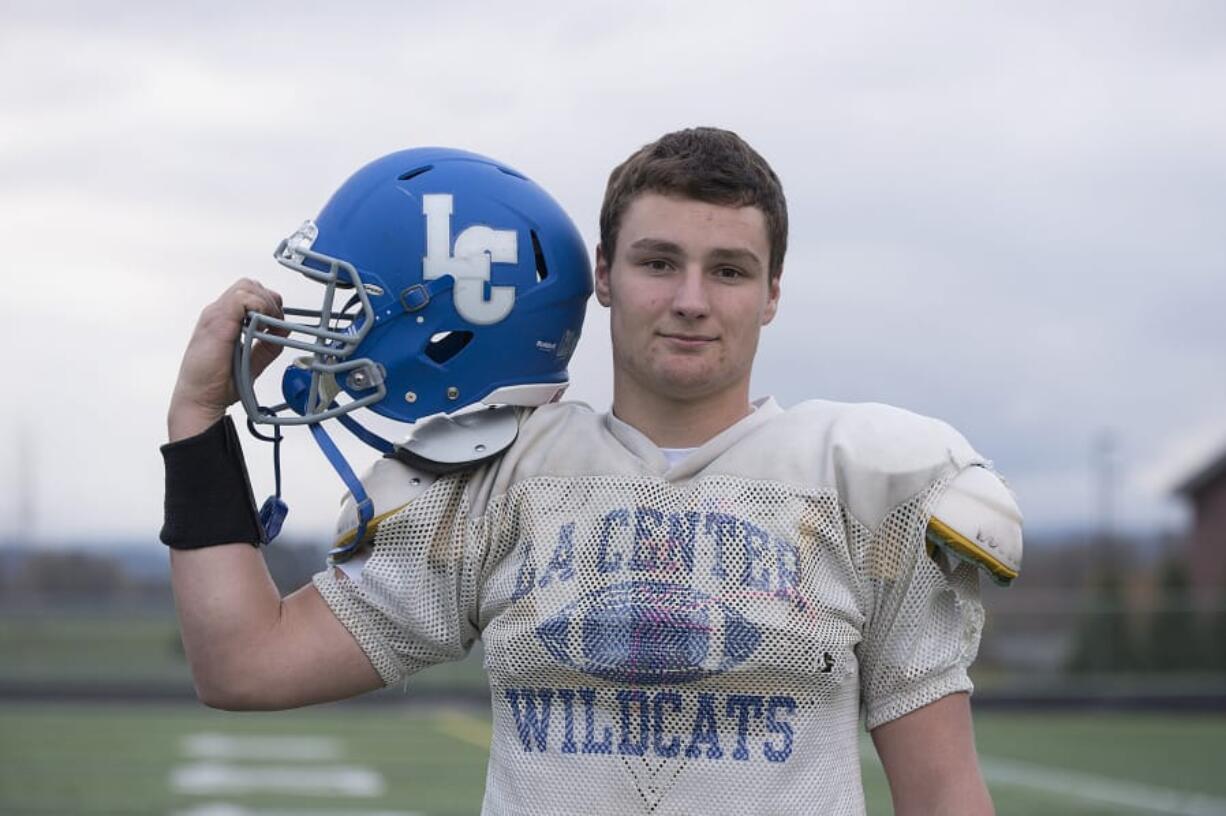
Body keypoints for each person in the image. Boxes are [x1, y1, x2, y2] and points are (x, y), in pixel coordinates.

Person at [163, 128, 1021, 815]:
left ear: (772, 295)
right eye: (659, 262)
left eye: (729, 271)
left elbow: (943, 791)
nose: (691, 298)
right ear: (603, 276)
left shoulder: (867, 485)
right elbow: (243, 665)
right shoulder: (498, 473)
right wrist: (197, 422)